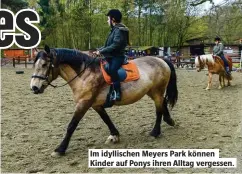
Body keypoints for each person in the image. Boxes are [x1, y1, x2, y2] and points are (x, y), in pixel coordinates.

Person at [93, 9, 130, 101]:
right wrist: (99, 50)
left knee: (112, 69)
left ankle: (117, 92)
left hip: (117, 57)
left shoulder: (119, 30)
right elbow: (108, 45)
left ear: (112, 19)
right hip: (111, 56)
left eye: (107, 19)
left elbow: (115, 45)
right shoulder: (114, 30)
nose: (107, 21)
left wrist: (101, 52)